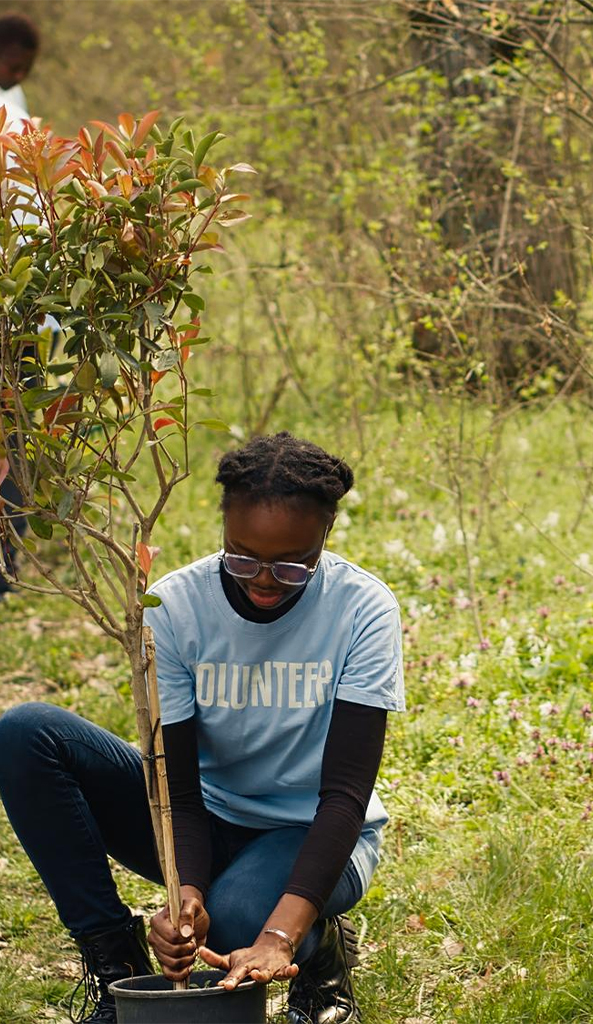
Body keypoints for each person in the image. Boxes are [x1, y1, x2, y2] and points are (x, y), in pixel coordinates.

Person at [0, 432, 405, 1024]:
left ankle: (319, 952)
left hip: (310, 834)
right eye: (242, 557)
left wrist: (279, 938)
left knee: (242, 917)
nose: (264, 579)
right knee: (27, 733)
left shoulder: (363, 610)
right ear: (222, 529)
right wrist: (184, 896)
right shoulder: (175, 607)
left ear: (326, 537)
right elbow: (180, 789)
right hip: (205, 819)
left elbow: (343, 798)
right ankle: (115, 967)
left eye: (292, 564)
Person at [0, 10, 40, 598]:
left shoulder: (15, 99)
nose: (18, 74)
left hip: (22, 293)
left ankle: (7, 562)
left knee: (16, 427)